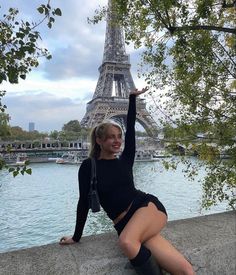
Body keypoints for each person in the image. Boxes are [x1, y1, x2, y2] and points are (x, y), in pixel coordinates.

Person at [60, 88, 195, 275]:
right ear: (99, 140)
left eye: (118, 137)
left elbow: (130, 127)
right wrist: (76, 237)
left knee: (127, 242)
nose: (117, 141)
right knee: (186, 270)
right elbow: (83, 202)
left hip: (146, 208)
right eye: (110, 137)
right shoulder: (88, 166)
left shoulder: (126, 159)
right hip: (126, 225)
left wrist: (132, 100)